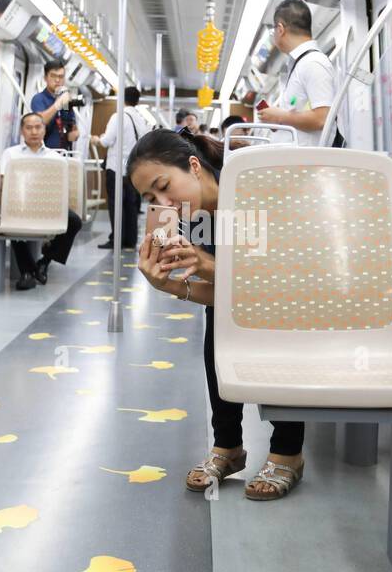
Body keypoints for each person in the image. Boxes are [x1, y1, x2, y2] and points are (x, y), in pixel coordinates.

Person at [127, 130, 305, 501]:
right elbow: (229, 293)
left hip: (299, 299)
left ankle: (288, 449)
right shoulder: (191, 217)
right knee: (220, 315)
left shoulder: (253, 191)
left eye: (164, 186)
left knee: (275, 320)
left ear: (194, 166)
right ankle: (228, 445)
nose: (165, 203)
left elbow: (279, 286)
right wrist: (170, 286)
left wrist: (210, 264)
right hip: (258, 295)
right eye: (151, 199)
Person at [1, 112, 83, 291]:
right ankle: (28, 272)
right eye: (29, 128)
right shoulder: (10, 155)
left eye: (38, 127)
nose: (34, 131)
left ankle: (44, 261)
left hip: (49, 207)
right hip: (19, 205)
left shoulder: (56, 159)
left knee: (75, 221)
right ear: (22, 131)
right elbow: (1, 182)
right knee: (13, 219)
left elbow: (62, 189)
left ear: (45, 130)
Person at [255, 0, 337, 146]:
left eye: (274, 31)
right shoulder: (300, 64)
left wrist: (281, 117)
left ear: (280, 29)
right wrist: (277, 119)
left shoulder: (313, 63)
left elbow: (322, 119)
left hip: (309, 164)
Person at [91, 85, 145, 250]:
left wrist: (96, 139)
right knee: (131, 205)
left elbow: (107, 141)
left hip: (117, 167)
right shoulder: (140, 118)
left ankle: (117, 239)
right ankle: (130, 239)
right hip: (133, 169)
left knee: (116, 204)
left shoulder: (118, 116)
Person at [28, 59, 81, 150]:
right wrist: (57, 104)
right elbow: (40, 121)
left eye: (61, 77)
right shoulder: (39, 99)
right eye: (53, 76)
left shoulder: (65, 102)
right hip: (44, 154)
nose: (57, 80)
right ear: (45, 78)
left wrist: (73, 134)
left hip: (63, 154)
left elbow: (69, 125)